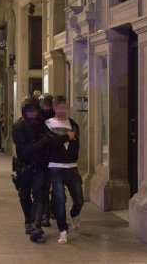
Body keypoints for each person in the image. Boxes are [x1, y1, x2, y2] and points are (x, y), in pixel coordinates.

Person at [45, 95, 83, 244]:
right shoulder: (48, 124)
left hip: (72, 168)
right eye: (59, 107)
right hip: (55, 167)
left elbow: (76, 144)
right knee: (60, 199)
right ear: (54, 108)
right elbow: (50, 144)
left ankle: (74, 214)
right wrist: (67, 137)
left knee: (79, 199)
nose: (62, 110)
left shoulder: (73, 124)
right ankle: (63, 230)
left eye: (64, 107)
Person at [12, 96, 49, 242]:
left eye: (34, 111)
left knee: (39, 194)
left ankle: (36, 225)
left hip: (40, 165)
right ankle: (29, 220)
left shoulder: (43, 125)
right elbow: (25, 150)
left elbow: (51, 140)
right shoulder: (18, 127)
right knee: (24, 195)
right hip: (25, 166)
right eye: (29, 111)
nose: (32, 114)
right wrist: (41, 143)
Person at [38, 93, 56, 227]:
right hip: (42, 158)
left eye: (49, 105)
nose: (47, 108)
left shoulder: (57, 120)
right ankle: (45, 213)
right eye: (45, 105)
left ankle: (54, 209)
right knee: (43, 187)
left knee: (56, 186)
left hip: (55, 157)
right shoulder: (37, 121)